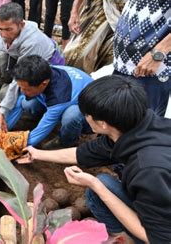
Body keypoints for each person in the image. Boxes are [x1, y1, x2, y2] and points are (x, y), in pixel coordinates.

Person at [17, 76, 171, 243]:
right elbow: (86, 153)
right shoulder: (135, 127)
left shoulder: (148, 169)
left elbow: (157, 238)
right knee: (102, 184)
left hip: (161, 234)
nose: (84, 117)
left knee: (98, 189)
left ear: (103, 124)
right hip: (161, 200)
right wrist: (38, 154)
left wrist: (95, 185)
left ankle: (126, 240)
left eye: (87, 114)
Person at [0, 2, 64, 115]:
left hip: (47, 64)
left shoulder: (32, 43)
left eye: (8, 29)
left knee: (14, 100)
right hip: (22, 61)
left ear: (21, 25)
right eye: (0, 29)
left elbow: (21, 77)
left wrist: (3, 110)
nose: (3, 34)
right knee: (1, 56)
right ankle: (5, 85)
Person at [113, 0, 170, 117]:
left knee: (142, 129)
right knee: (117, 120)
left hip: (150, 66)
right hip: (125, 61)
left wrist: (158, 54)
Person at [65, 0, 141, 73]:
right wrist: (74, 12)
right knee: (77, 53)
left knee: (118, 56)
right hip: (99, 6)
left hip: (131, 8)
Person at [1, 55, 92, 149]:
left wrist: (17, 145)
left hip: (89, 114)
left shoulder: (59, 97)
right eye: (21, 87)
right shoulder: (39, 74)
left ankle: (65, 141)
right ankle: (40, 118)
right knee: (27, 102)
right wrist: (1, 130)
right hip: (60, 98)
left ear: (44, 84)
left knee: (71, 115)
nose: (23, 91)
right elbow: (19, 101)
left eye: (27, 89)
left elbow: (45, 126)